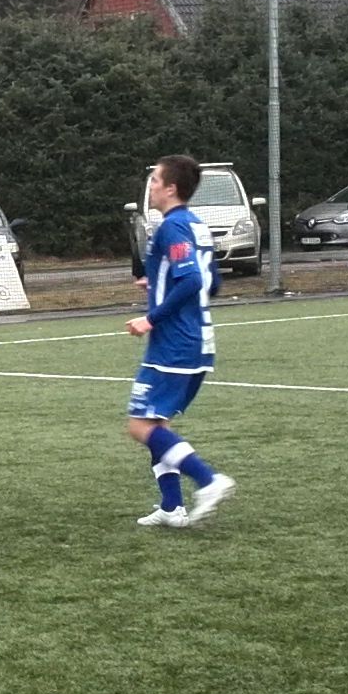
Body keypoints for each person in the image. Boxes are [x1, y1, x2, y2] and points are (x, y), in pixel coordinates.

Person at [124, 155, 238, 527]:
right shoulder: (195, 225)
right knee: (157, 424)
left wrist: (150, 318)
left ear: (171, 189)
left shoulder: (172, 227)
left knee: (140, 426)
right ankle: (172, 506)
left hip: (174, 344)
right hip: (198, 340)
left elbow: (191, 281)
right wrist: (157, 282)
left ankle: (208, 480)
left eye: (156, 180)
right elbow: (212, 283)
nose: (151, 187)